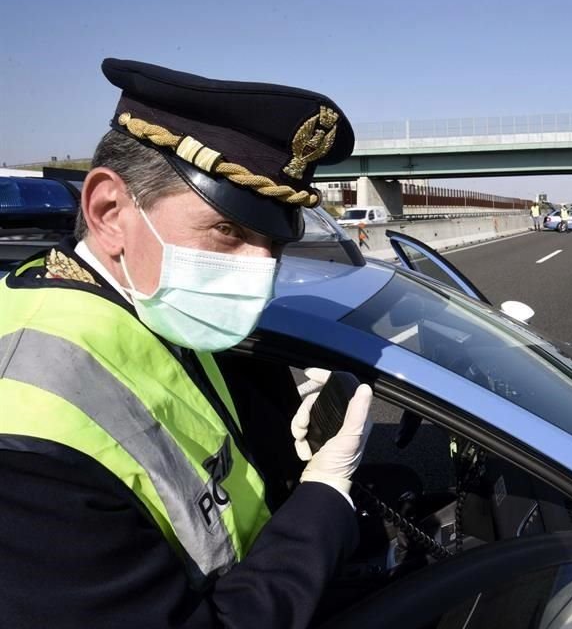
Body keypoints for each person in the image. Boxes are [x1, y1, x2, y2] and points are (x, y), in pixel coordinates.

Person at [0, 59, 370, 628]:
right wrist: (325, 498)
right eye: (229, 230)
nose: (261, 268)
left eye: (272, 242)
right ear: (108, 212)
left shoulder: (151, 305)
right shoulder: (22, 444)